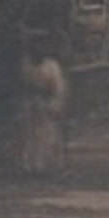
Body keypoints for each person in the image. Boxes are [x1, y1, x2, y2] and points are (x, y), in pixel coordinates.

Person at [19, 33, 69, 176]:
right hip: (30, 104)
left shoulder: (51, 66)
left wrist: (55, 105)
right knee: (30, 136)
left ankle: (48, 166)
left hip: (46, 104)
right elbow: (23, 84)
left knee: (48, 135)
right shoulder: (26, 65)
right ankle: (30, 167)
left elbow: (59, 88)